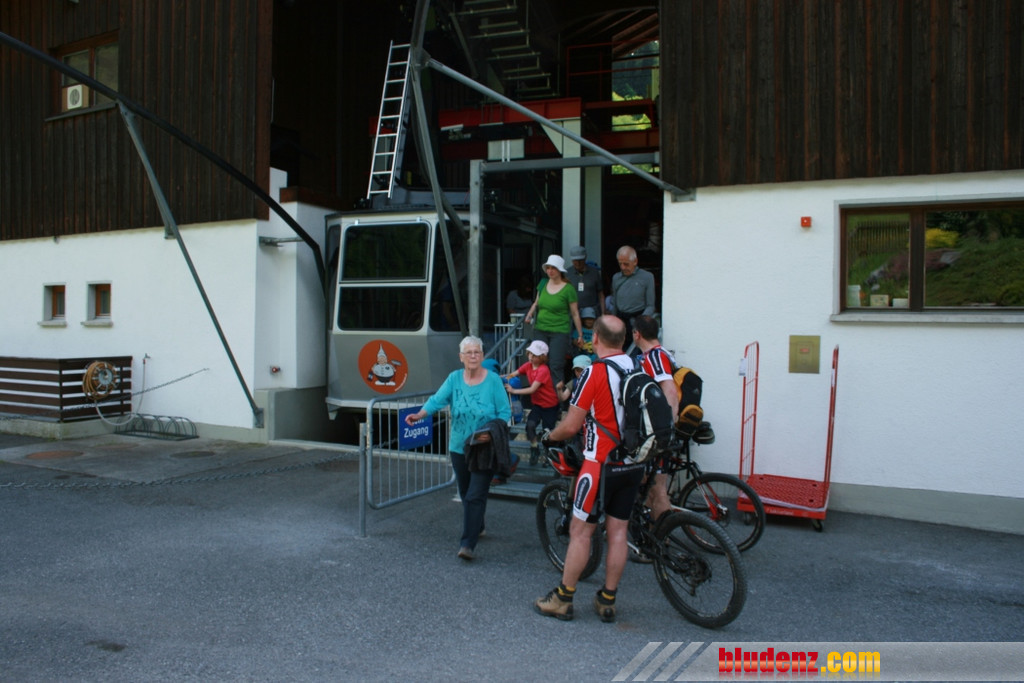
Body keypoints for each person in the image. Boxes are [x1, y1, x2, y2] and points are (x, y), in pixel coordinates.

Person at [533, 315, 645, 623]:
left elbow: (571, 426)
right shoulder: (636, 366)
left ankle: (563, 598)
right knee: (618, 532)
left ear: (595, 338)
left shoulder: (594, 372)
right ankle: (608, 599)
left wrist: (549, 436)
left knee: (580, 532)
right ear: (624, 340)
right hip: (632, 464)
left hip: (599, 465)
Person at [404, 336, 511, 561]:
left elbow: (504, 412)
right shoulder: (454, 378)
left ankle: (467, 544)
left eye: (477, 352)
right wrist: (420, 414)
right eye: (469, 352)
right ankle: (478, 525)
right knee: (465, 492)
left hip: (484, 449)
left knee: (474, 495)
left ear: (482, 356)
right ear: (461, 357)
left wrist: (492, 432)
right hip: (459, 447)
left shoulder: (493, 381)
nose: (473, 356)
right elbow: (437, 400)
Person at [632, 315, 681, 523]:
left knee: (658, 489)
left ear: (637, 334)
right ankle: (650, 532)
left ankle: (662, 537)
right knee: (648, 486)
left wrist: (665, 430)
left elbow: (669, 391)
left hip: (659, 432)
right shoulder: (661, 354)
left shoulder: (654, 356)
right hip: (657, 430)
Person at [524, 254, 584, 388]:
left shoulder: (568, 288)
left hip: (560, 331)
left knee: (556, 364)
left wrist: (580, 335)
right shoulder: (543, 283)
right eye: (548, 268)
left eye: (553, 268)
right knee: (538, 362)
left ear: (560, 270)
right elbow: (536, 302)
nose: (550, 271)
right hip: (540, 329)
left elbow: (575, 313)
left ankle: (557, 397)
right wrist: (529, 314)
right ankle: (539, 394)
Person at [505, 340, 560, 466]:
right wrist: (503, 378)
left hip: (550, 406)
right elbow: (513, 374)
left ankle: (549, 456)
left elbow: (532, 389)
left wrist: (514, 390)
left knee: (547, 432)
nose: (531, 357)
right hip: (537, 405)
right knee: (530, 425)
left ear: (542, 357)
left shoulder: (543, 370)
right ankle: (534, 448)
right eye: (530, 353)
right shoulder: (528, 366)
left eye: (534, 355)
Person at [610, 245, 656, 349]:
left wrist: (641, 323)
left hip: (638, 321)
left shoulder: (647, 277)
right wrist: (614, 322)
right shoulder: (616, 277)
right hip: (621, 322)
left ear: (635, 261)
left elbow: (650, 305)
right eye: (620, 264)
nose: (623, 267)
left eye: (626, 264)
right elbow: (615, 303)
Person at [565, 245, 606, 317]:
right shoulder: (567, 273)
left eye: (580, 260)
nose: (578, 263)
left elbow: (601, 295)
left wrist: (603, 313)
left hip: (591, 313)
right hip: (573, 312)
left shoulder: (594, 272)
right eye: (575, 260)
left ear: (585, 258)